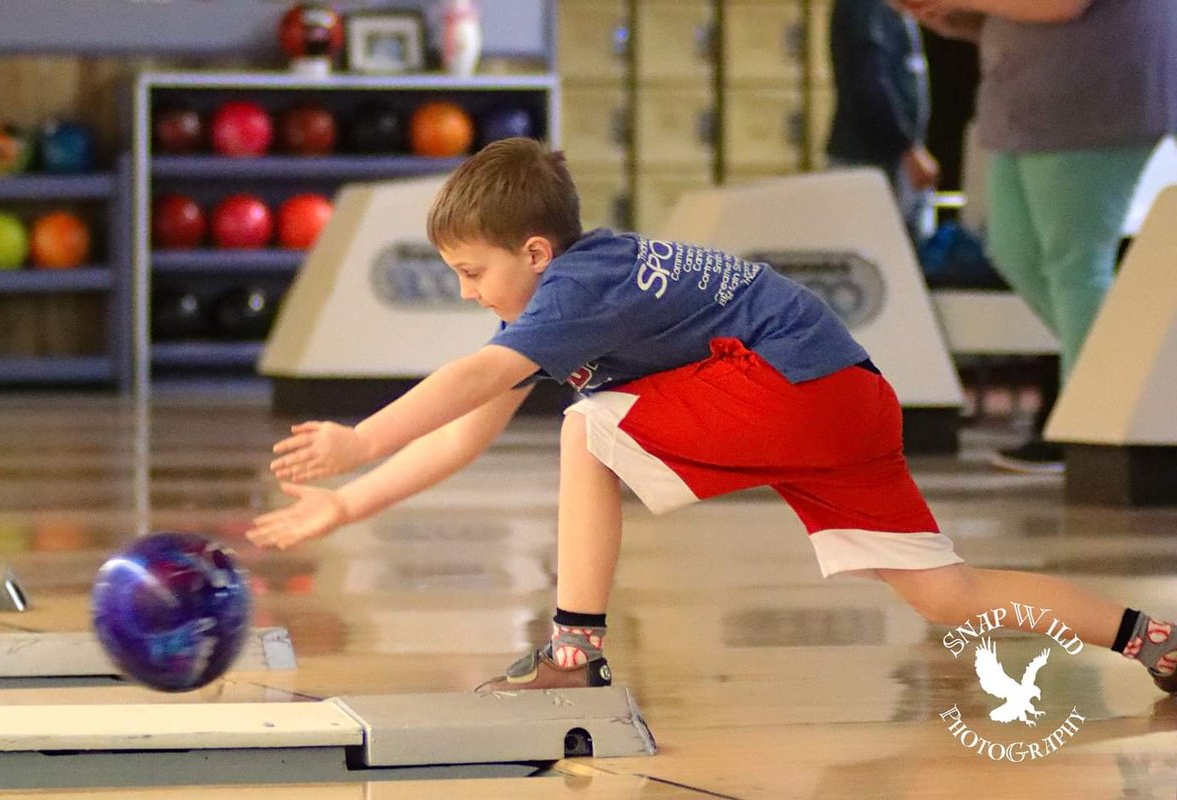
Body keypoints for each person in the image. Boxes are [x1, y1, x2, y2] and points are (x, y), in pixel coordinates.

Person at [246, 137, 1177, 694]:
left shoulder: (574, 289)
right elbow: (471, 427)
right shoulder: (579, 289)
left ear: (535, 251)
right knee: (950, 596)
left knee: (585, 428)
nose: (466, 293)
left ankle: (577, 649)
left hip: (791, 389)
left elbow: (467, 383)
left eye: (474, 272)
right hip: (848, 397)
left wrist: (362, 438)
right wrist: (348, 504)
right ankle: (1154, 640)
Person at [900, 0, 1177, 473]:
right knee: (1013, 250)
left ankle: (1100, 426)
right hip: (1026, 101)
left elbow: (1061, 5)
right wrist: (958, 17)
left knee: (1076, 264)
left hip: (1092, 98)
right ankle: (1128, 385)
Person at [827, 0, 939, 244]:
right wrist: (907, 147)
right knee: (880, 252)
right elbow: (868, 82)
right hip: (872, 158)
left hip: (891, 157)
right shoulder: (866, 7)